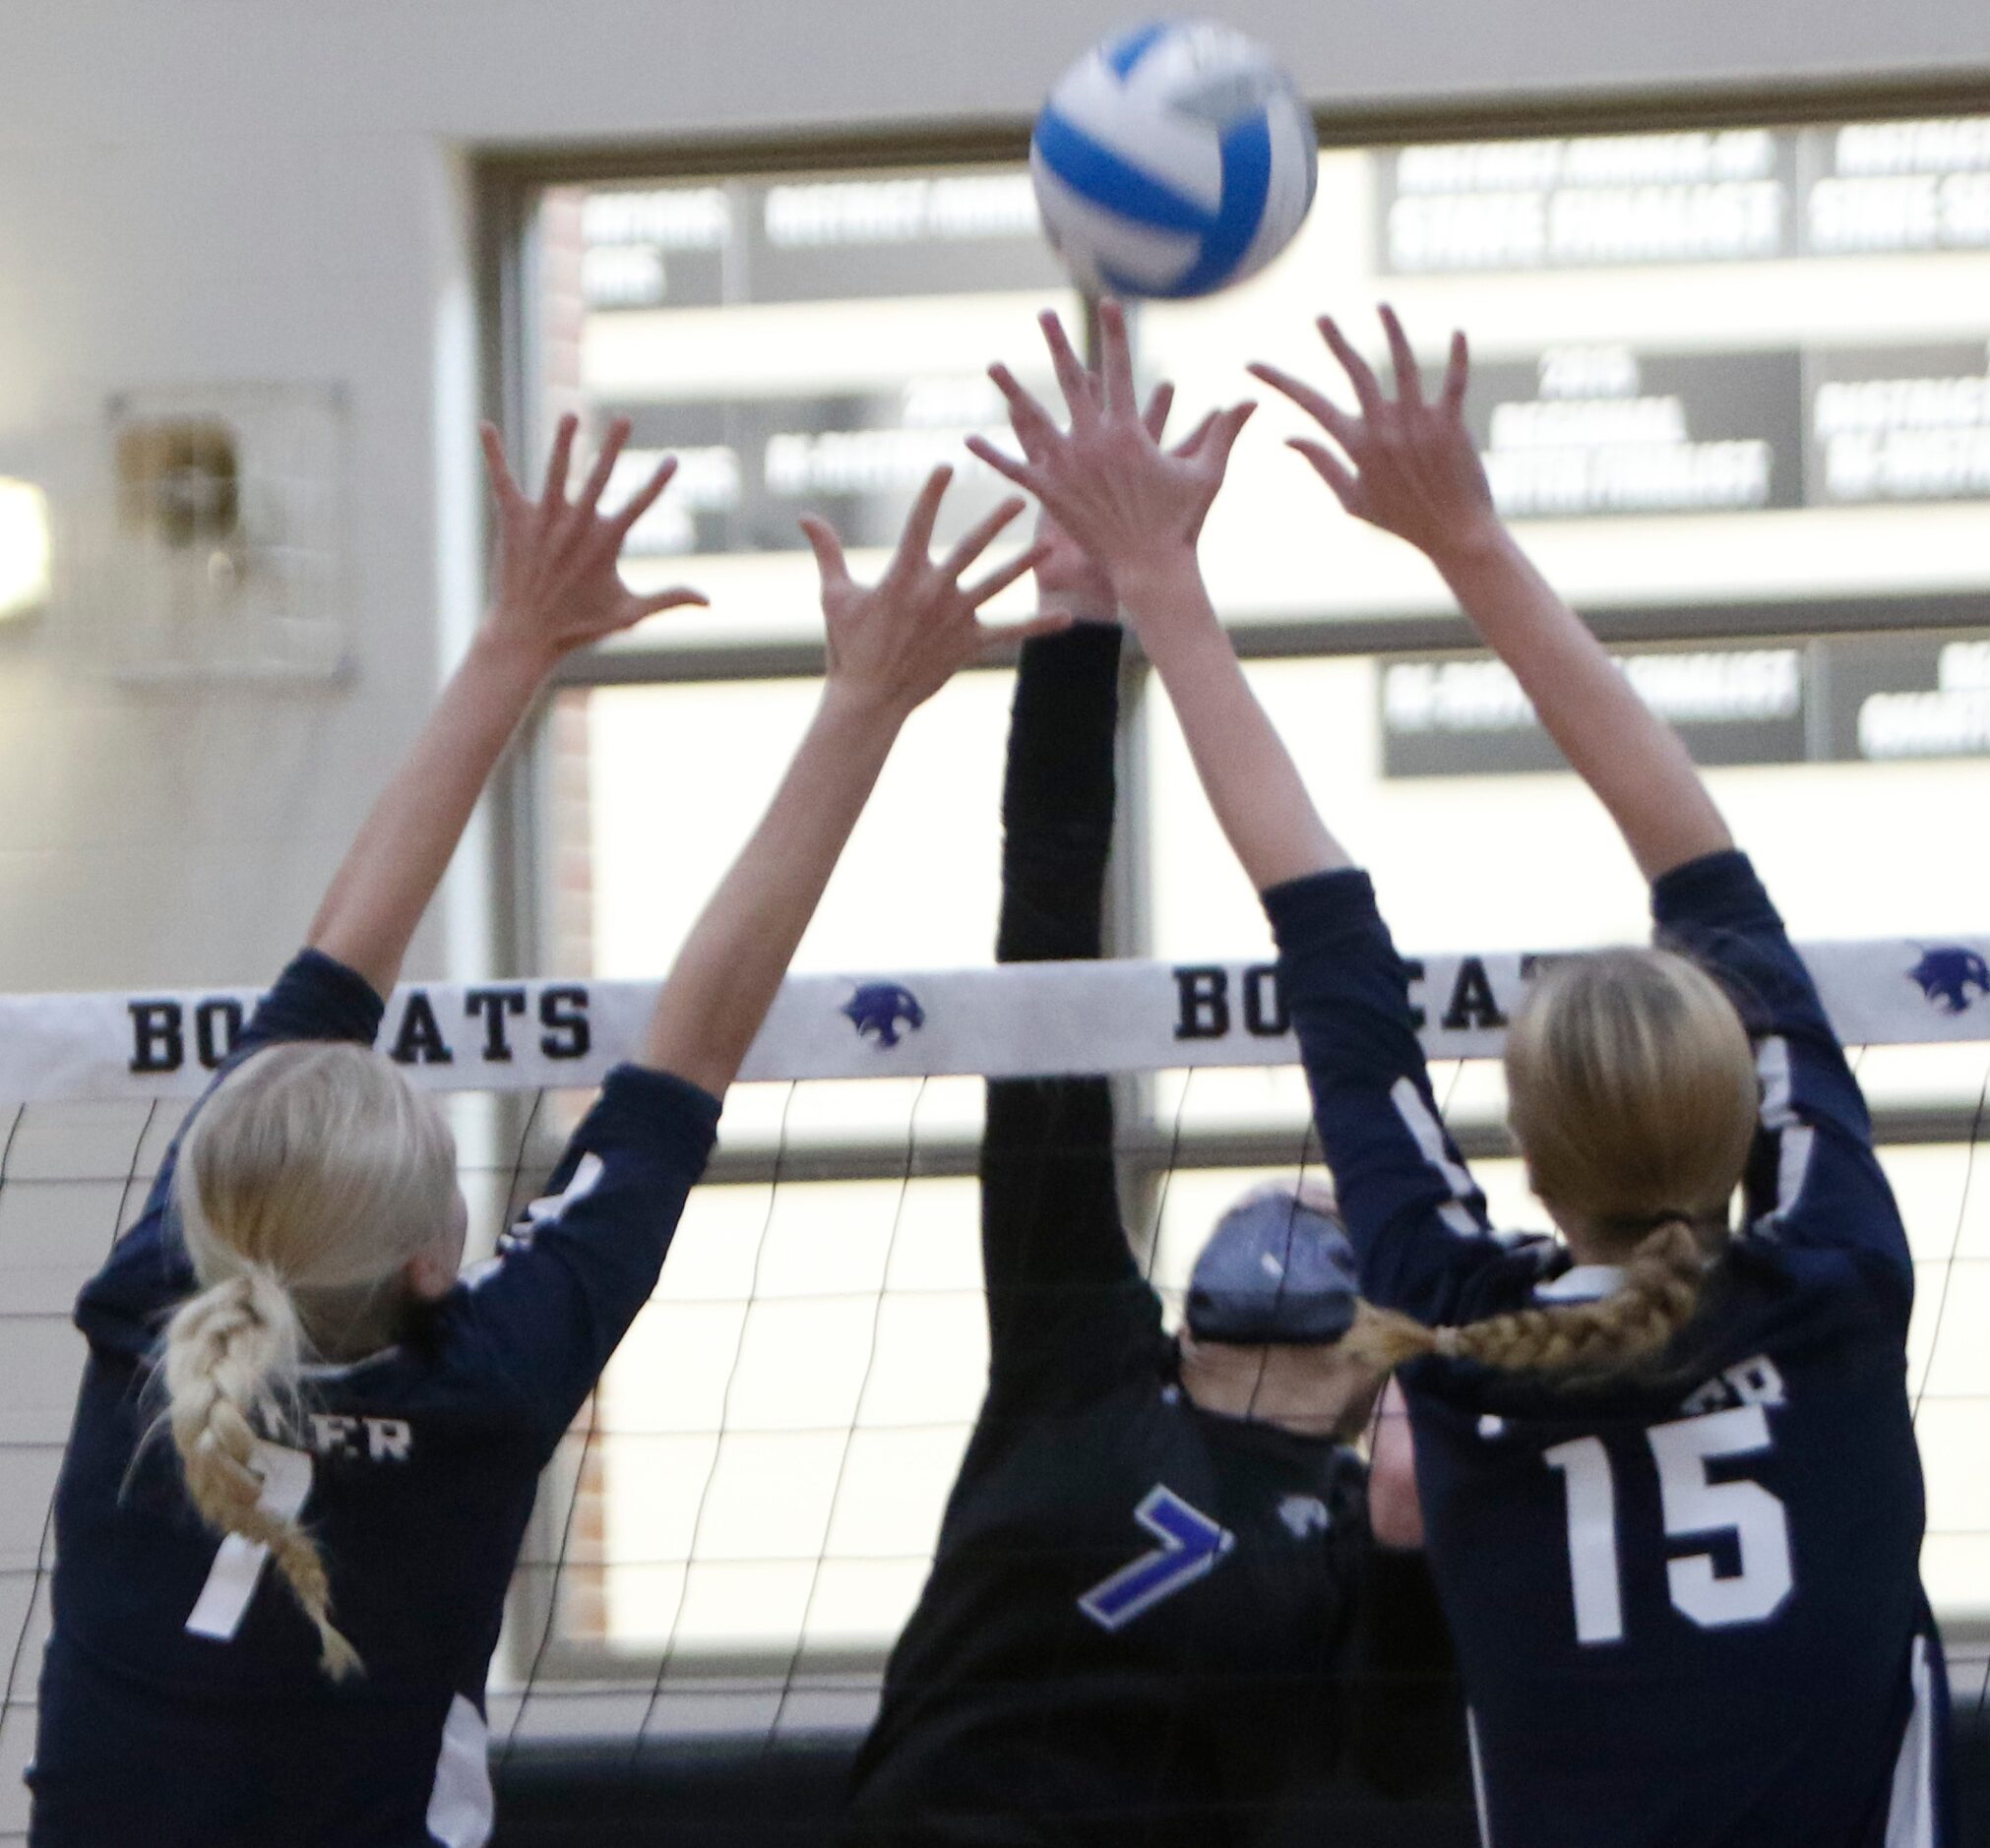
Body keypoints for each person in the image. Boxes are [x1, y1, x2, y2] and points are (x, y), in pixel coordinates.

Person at [973, 299, 1951, 1847]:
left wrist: (1162, 586)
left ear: (1534, 1162)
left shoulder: (1455, 1319)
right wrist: (1466, 536)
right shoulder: (1828, 1272)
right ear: (1735, 1116)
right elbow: (1696, 863)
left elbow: (1326, 938)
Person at [28, 419, 1054, 1848]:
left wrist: (521, 640)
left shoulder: (157, 1303)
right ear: (438, 1264)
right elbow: (693, 1036)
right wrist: (863, 702)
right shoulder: (481, 1380)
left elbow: (347, 971)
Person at [841, 390, 1441, 1848]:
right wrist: (1078, 621)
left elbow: (1407, 1764)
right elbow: (1043, 958)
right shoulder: (1081, 1358)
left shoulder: (1365, 1509)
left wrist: (1419, 1519)